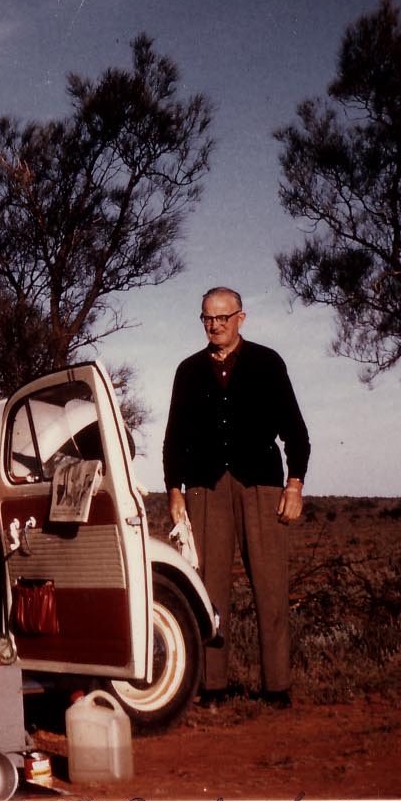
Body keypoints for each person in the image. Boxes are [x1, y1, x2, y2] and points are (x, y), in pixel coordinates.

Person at [162, 287, 310, 709]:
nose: (215, 325)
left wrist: (294, 484)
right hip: (205, 488)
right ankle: (213, 687)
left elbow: (295, 431)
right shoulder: (188, 371)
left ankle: (276, 688)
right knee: (209, 590)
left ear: (241, 318)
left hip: (261, 486)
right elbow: (174, 438)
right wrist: (175, 492)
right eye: (207, 318)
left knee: (271, 586)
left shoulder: (268, 363)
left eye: (223, 318)